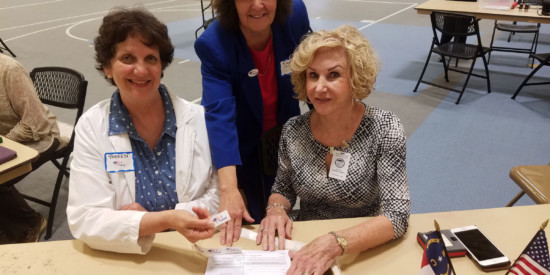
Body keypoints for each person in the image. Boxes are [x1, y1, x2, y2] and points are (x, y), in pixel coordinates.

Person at [256, 25, 411, 275]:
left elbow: (397, 215)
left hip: (364, 247)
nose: (319, 88)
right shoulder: (294, 130)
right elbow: (282, 188)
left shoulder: (384, 128)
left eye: (334, 75)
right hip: (307, 245)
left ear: (355, 78)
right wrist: (275, 209)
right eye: (313, 75)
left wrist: (335, 242)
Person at [66, 7, 220, 254]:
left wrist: (148, 221)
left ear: (161, 65)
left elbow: (218, 192)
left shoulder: (198, 119)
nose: (141, 70)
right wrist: (164, 221)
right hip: (129, 256)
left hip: (193, 250)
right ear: (107, 67)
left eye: (151, 58)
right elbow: (85, 218)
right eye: (127, 58)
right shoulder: (92, 126)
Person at [194, 0, 311, 247]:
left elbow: (312, 73)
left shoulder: (294, 16)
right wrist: (229, 190)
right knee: (253, 215)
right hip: (242, 142)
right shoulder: (214, 44)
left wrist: (333, 129)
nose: (258, 5)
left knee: (286, 204)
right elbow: (219, 115)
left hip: (285, 131)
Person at [0, 53, 61, 244]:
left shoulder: (9, 69)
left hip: (38, 137)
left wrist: (5, 144)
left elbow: (36, 121)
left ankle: (30, 222)